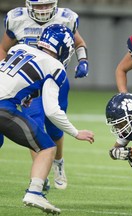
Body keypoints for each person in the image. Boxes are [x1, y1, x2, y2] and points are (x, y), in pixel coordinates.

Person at [0, 24, 94, 214]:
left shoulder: (18, 48)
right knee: (47, 147)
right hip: (3, 107)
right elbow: (52, 111)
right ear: (64, 49)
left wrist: (25, 96)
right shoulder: (55, 66)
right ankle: (34, 192)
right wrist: (76, 133)